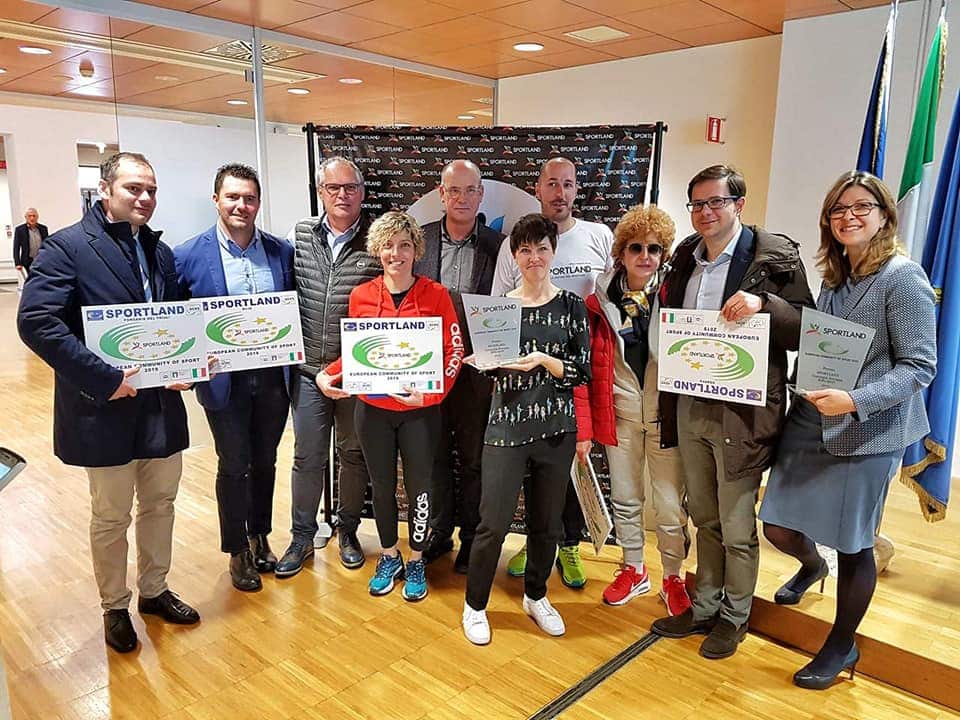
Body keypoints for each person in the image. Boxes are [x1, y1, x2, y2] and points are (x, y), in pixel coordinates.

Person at [17, 152, 200, 654]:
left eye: (151, 189)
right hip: (104, 408)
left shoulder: (159, 252)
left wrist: (186, 364)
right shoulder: (67, 247)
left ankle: (154, 591)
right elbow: (36, 322)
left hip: (159, 406)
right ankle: (115, 606)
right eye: (133, 188)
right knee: (112, 515)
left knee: (161, 504)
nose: (145, 198)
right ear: (105, 190)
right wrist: (104, 379)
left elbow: (173, 321)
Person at [759, 171, 936, 689]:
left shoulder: (903, 278)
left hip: (868, 432)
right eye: (838, 209)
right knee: (777, 527)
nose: (848, 217)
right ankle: (810, 566)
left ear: (884, 215)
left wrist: (855, 401)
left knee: (854, 544)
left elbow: (920, 366)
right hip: (812, 419)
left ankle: (842, 644)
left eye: (861, 207)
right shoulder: (836, 277)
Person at [650, 164, 813, 660]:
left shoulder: (775, 258)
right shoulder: (684, 257)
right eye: (697, 203)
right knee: (704, 515)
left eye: (716, 201)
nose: (706, 212)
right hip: (690, 401)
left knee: (737, 523)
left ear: (739, 205)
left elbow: (807, 329)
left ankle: (735, 617)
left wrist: (764, 304)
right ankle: (704, 607)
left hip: (742, 412)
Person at [320, 211, 464, 601]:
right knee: (382, 488)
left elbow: (454, 352)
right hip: (373, 411)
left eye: (404, 245)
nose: (395, 253)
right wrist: (328, 375)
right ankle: (389, 555)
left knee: (420, 490)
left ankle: (416, 558)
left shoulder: (437, 295)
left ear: (416, 250)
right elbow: (357, 354)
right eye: (388, 245)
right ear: (377, 250)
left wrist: (430, 397)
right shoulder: (361, 296)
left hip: (420, 413)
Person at [462, 213, 591, 645]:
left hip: (556, 428)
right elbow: (489, 365)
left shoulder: (571, 306)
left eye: (541, 248)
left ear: (553, 252)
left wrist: (545, 361)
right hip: (507, 427)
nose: (534, 257)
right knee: (492, 525)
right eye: (525, 250)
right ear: (514, 256)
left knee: (547, 523)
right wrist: (483, 363)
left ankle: (536, 596)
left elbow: (582, 371)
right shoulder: (499, 308)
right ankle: (475, 605)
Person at [491, 156, 613, 589]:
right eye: (552, 184)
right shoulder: (515, 244)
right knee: (532, 467)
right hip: (524, 378)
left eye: (568, 184)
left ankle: (570, 544)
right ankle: (537, 541)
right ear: (538, 189)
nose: (560, 193)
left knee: (576, 457)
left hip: (579, 367)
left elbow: (612, 299)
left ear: (576, 189)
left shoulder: (599, 236)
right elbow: (499, 307)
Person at [175, 163, 294, 592]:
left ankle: (260, 535)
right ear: (216, 200)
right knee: (234, 464)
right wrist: (184, 366)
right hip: (224, 382)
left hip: (273, 379)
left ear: (258, 203)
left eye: (249, 198)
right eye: (232, 197)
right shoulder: (187, 255)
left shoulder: (282, 252)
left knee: (266, 461)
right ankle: (237, 549)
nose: (241, 205)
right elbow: (176, 318)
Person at [577, 205, 691, 614]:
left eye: (654, 249)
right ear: (622, 253)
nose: (645, 256)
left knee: (669, 505)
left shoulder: (678, 295)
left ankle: (673, 576)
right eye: (636, 248)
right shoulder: (599, 301)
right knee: (625, 498)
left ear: (664, 254)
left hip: (665, 417)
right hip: (621, 414)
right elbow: (588, 367)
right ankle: (634, 568)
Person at [279, 156, 381, 577]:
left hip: (356, 372)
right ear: (320, 191)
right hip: (308, 373)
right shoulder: (299, 235)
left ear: (362, 192)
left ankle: (349, 531)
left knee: (353, 455)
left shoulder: (377, 239)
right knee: (307, 456)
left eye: (350, 187)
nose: (342, 195)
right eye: (333, 188)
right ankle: (302, 536)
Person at [415, 159, 503, 574]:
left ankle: (472, 538)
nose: (462, 198)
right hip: (428, 366)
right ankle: (438, 532)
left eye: (470, 190)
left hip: (475, 371)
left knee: (473, 459)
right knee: (432, 456)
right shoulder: (419, 240)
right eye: (454, 190)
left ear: (481, 194)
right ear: (441, 194)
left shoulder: (500, 246)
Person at [13, 207, 48, 277]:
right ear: (26, 217)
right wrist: (17, 263)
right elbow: (16, 247)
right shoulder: (20, 230)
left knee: (42, 278)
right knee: (30, 279)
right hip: (27, 261)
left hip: (41, 260)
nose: (32, 218)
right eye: (29, 216)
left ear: (37, 217)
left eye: (34, 216)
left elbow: (47, 245)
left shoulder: (43, 229)